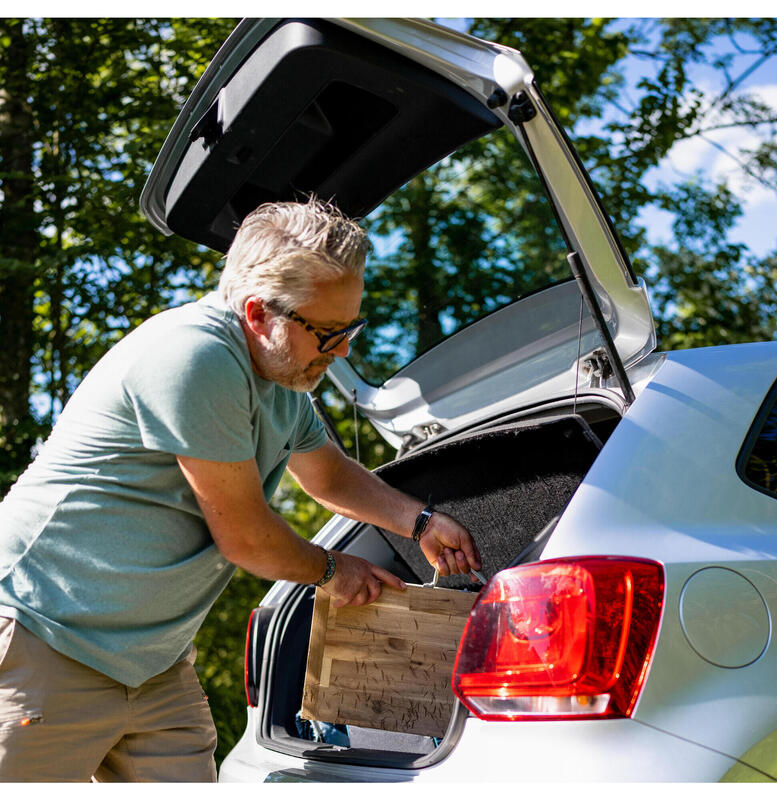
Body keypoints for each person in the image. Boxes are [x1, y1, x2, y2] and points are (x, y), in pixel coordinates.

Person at [0, 199, 481, 782]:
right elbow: (247, 537)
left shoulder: (282, 380)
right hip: (42, 640)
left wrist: (422, 523)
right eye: (329, 333)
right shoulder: (195, 356)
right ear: (258, 314)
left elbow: (326, 475)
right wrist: (336, 571)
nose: (344, 351)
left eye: (350, 329)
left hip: (153, 665)